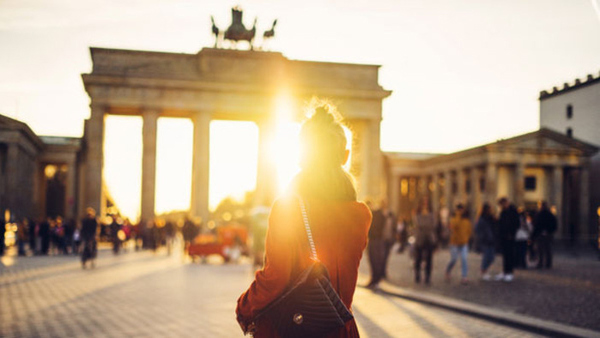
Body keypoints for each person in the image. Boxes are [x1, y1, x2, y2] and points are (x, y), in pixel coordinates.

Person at [236, 103, 371, 337]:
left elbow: (275, 278)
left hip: (292, 328)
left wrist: (244, 306)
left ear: (300, 156)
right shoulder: (361, 215)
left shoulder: (288, 209)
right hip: (339, 330)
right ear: (345, 155)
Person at [366, 200, 394, 288]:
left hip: (378, 239)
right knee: (374, 260)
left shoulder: (384, 215)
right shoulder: (378, 213)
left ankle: (376, 280)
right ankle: (375, 279)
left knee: (376, 260)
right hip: (375, 239)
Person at [445, 204, 472, 284]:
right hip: (454, 243)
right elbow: (453, 226)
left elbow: (469, 231)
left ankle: (464, 277)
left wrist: (467, 238)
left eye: (461, 210)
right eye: (458, 210)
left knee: (464, 259)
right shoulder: (453, 219)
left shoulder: (467, 220)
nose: (460, 211)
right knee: (454, 259)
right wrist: (458, 216)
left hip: (464, 243)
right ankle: (448, 270)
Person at [413, 198, 437, 284]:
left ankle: (427, 277)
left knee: (429, 259)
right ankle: (417, 275)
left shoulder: (432, 214)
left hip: (429, 239)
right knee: (418, 258)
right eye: (423, 204)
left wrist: (424, 225)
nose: (425, 205)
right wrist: (426, 224)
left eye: (426, 204)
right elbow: (418, 224)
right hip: (419, 239)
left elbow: (433, 225)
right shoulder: (417, 214)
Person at [495, 197, 520, 282]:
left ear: (506, 202)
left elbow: (517, 224)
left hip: (510, 237)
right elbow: (501, 224)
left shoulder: (513, 211)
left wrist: (512, 234)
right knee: (505, 255)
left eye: (502, 204)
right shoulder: (503, 212)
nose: (502, 206)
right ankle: (505, 271)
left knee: (510, 255)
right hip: (503, 236)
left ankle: (510, 273)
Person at [474, 203, 496, 281]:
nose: (490, 210)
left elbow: (495, 227)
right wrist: (482, 236)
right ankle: (483, 271)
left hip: (492, 240)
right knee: (486, 256)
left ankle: (484, 269)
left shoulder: (491, 218)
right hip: (485, 240)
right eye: (489, 209)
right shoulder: (481, 218)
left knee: (492, 257)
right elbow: (476, 229)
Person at [532, 201, 557, 269]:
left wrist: (534, 235)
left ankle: (541, 263)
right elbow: (554, 225)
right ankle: (548, 263)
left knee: (541, 250)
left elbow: (536, 225)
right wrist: (550, 231)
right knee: (547, 249)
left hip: (541, 234)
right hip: (547, 234)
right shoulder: (550, 215)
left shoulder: (539, 214)